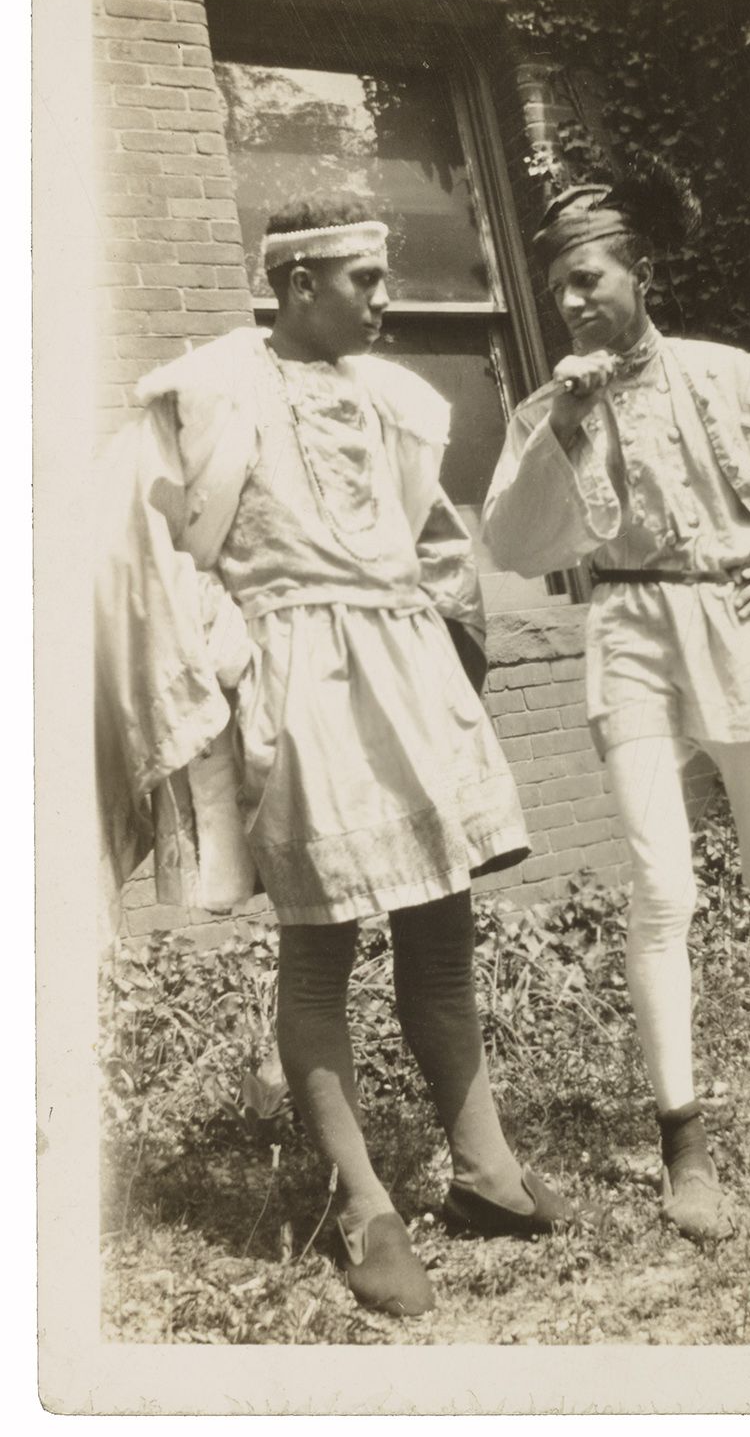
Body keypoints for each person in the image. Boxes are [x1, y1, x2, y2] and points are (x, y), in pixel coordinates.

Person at [96, 196, 569, 1318]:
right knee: (322, 949)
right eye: (363, 279)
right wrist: (225, 651)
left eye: (385, 275)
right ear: (298, 282)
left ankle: (485, 1174)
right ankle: (365, 1203)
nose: (384, 298)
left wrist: (443, 656)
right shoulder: (205, 397)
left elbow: (435, 544)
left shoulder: (397, 403)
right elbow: (148, 552)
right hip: (300, 685)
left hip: (404, 673)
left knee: (441, 926)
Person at [481, 165, 750, 1243]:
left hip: (733, 624)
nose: (571, 302)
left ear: (638, 273)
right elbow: (511, 543)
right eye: (557, 286)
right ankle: (683, 1141)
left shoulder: (726, 375)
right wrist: (562, 430)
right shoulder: (554, 407)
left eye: (589, 279)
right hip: (628, 632)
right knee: (661, 886)